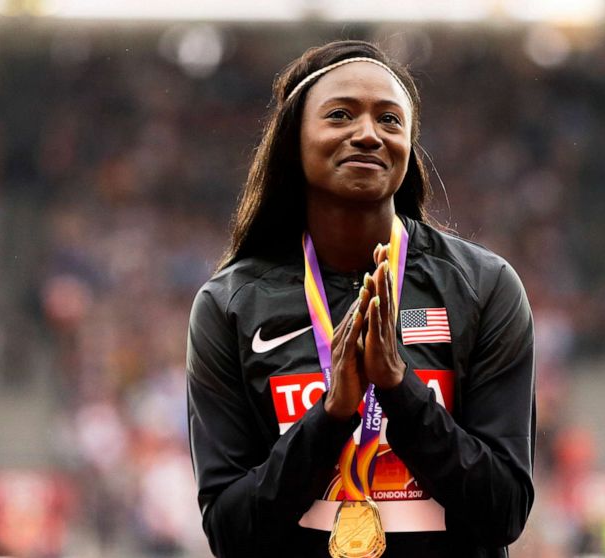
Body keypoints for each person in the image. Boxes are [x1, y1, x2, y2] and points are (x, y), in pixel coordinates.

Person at [186, 40, 535, 558]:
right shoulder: (231, 304)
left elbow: (503, 510)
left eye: (391, 120)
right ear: (293, 140)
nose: (369, 134)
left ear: (409, 145)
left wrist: (399, 389)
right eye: (341, 115)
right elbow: (230, 532)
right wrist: (330, 416)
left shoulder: (483, 287)